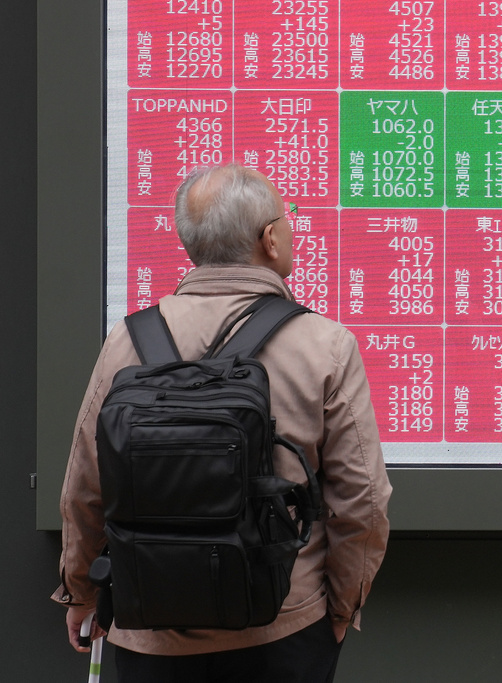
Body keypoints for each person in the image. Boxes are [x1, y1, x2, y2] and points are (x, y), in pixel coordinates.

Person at [53, 164, 392, 682]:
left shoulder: (127, 341)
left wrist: (80, 592)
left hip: (150, 630)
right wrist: (340, 609)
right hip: (283, 627)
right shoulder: (324, 345)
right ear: (270, 239)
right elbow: (362, 500)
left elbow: (86, 487)